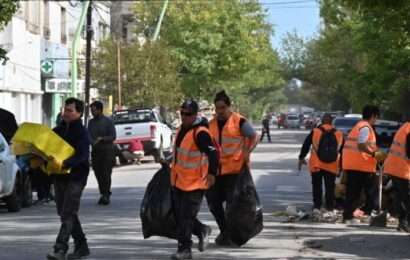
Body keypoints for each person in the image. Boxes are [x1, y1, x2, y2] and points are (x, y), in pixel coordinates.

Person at [207, 90, 258, 246]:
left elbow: (254, 136)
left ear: (229, 106)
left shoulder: (239, 121)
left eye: (222, 108)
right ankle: (225, 231)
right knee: (213, 203)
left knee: (232, 206)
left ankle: (230, 235)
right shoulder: (211, 124)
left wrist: (247, 152)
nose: (219, 111)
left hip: (235, 171)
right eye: (217, 108)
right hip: (216, 171)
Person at [170, 99, 219, 260]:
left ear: (195, 114)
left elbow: (213, 153)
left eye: (188, 114)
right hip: (178, 181)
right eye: (182, 113)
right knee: (179, 215)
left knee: (185, 217)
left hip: (195, 183)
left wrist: (212, 174)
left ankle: (185, 250)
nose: (184, 117)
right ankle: (202, 230)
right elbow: (179, 153)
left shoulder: (201, 133)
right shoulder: (181, 130)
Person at [47, 98, 91, 260]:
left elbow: (82, 155)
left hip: (76, 177)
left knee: (68, 212)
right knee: (64, 212)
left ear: (79, 113)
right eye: (65, 110)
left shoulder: (81, 132)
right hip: (59, 176)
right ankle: (82, 246)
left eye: (70, 111)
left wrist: (65, 163)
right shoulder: (57, 131)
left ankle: (60, 249)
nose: (66, 113)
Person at [342, 105, 386, 224]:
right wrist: (374, 154)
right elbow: (361, 145)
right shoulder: (365, 127)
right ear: (373, 116)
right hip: (360, 165)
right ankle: (351, 216)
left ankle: (355, 214)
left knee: (357, 192)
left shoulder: (359, 125)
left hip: (355, 164)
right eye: (376, 117)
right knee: (363, 192)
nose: (376, 120)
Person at [298, 113, 344, 220]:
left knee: (317, 186)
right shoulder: (339, 134)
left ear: (322, 121)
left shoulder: (315, 131)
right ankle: (330, 207)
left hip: (316, 164)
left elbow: (306, 145)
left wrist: (301, 158)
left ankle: (317, 206)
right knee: (330, 187)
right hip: (332, 165)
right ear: (332, 122)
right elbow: (342, 151)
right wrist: (341, 166)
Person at [384, 116, 410, 232]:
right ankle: (405, 223)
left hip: (394, 168)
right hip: (404, 170)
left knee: (401, 196)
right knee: (406, 198)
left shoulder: (404, 127)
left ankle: (402, 223)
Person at [88, 101, 116, 205]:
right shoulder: (91, 122)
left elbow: (113, 136)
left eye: (94, 110)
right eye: (91, 110)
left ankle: (106, 194)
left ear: (100, 110)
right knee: (98, 173)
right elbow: (88, 135)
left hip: (107, 152)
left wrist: (102, 139)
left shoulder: (108, 121)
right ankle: (103, 193)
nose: (92, 112)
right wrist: (92, 142)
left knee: (106, 173)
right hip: (96, 152)